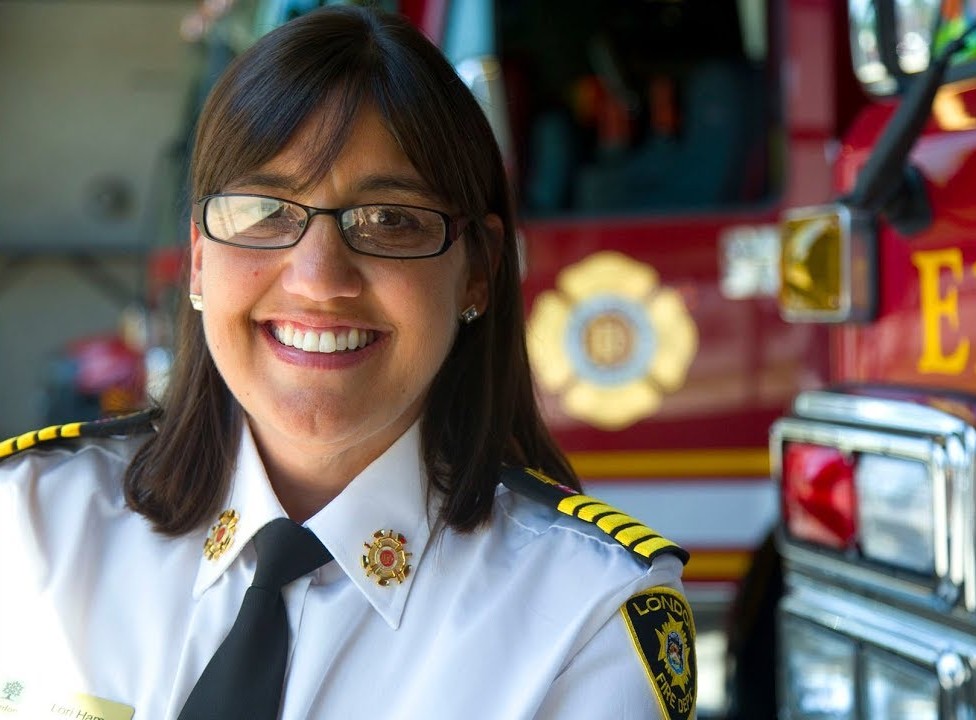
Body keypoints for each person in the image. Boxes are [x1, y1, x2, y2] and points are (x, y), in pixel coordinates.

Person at [0, 6, 696, 719]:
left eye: (390, 220)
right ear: (201, 260)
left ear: (480, 269)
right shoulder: (31, 525)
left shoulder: (588, 615)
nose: (317, 279)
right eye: (264, 210)